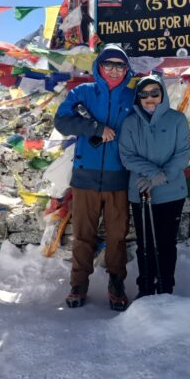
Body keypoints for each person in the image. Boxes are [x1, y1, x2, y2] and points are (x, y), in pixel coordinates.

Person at [54, 44, 134, 310]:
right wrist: (95, 127)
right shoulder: (82, 93)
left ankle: (116, 283)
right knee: (83, 234)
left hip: (118, 178)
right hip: (85, 177)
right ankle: (78, 284)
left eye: (119, 65)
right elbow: (62, 122)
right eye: (108, 64)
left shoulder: (132, 98)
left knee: (117, 236)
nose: (113, 70)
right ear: (99, 66)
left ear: (126, 69)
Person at [119, 75, 190, 297]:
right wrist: (152, 174)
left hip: (171, 192)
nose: (149, 98)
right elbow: (127, 155)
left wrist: (163, 176)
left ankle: (166, 287)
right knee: (145, 244)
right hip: (141, 189)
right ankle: (146, 287)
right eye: (144, 94)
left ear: (162, 95)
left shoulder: (177, 119)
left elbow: (183, 154)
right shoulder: (131, 122)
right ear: (138, 97)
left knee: (167, 243)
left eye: (154, 93)